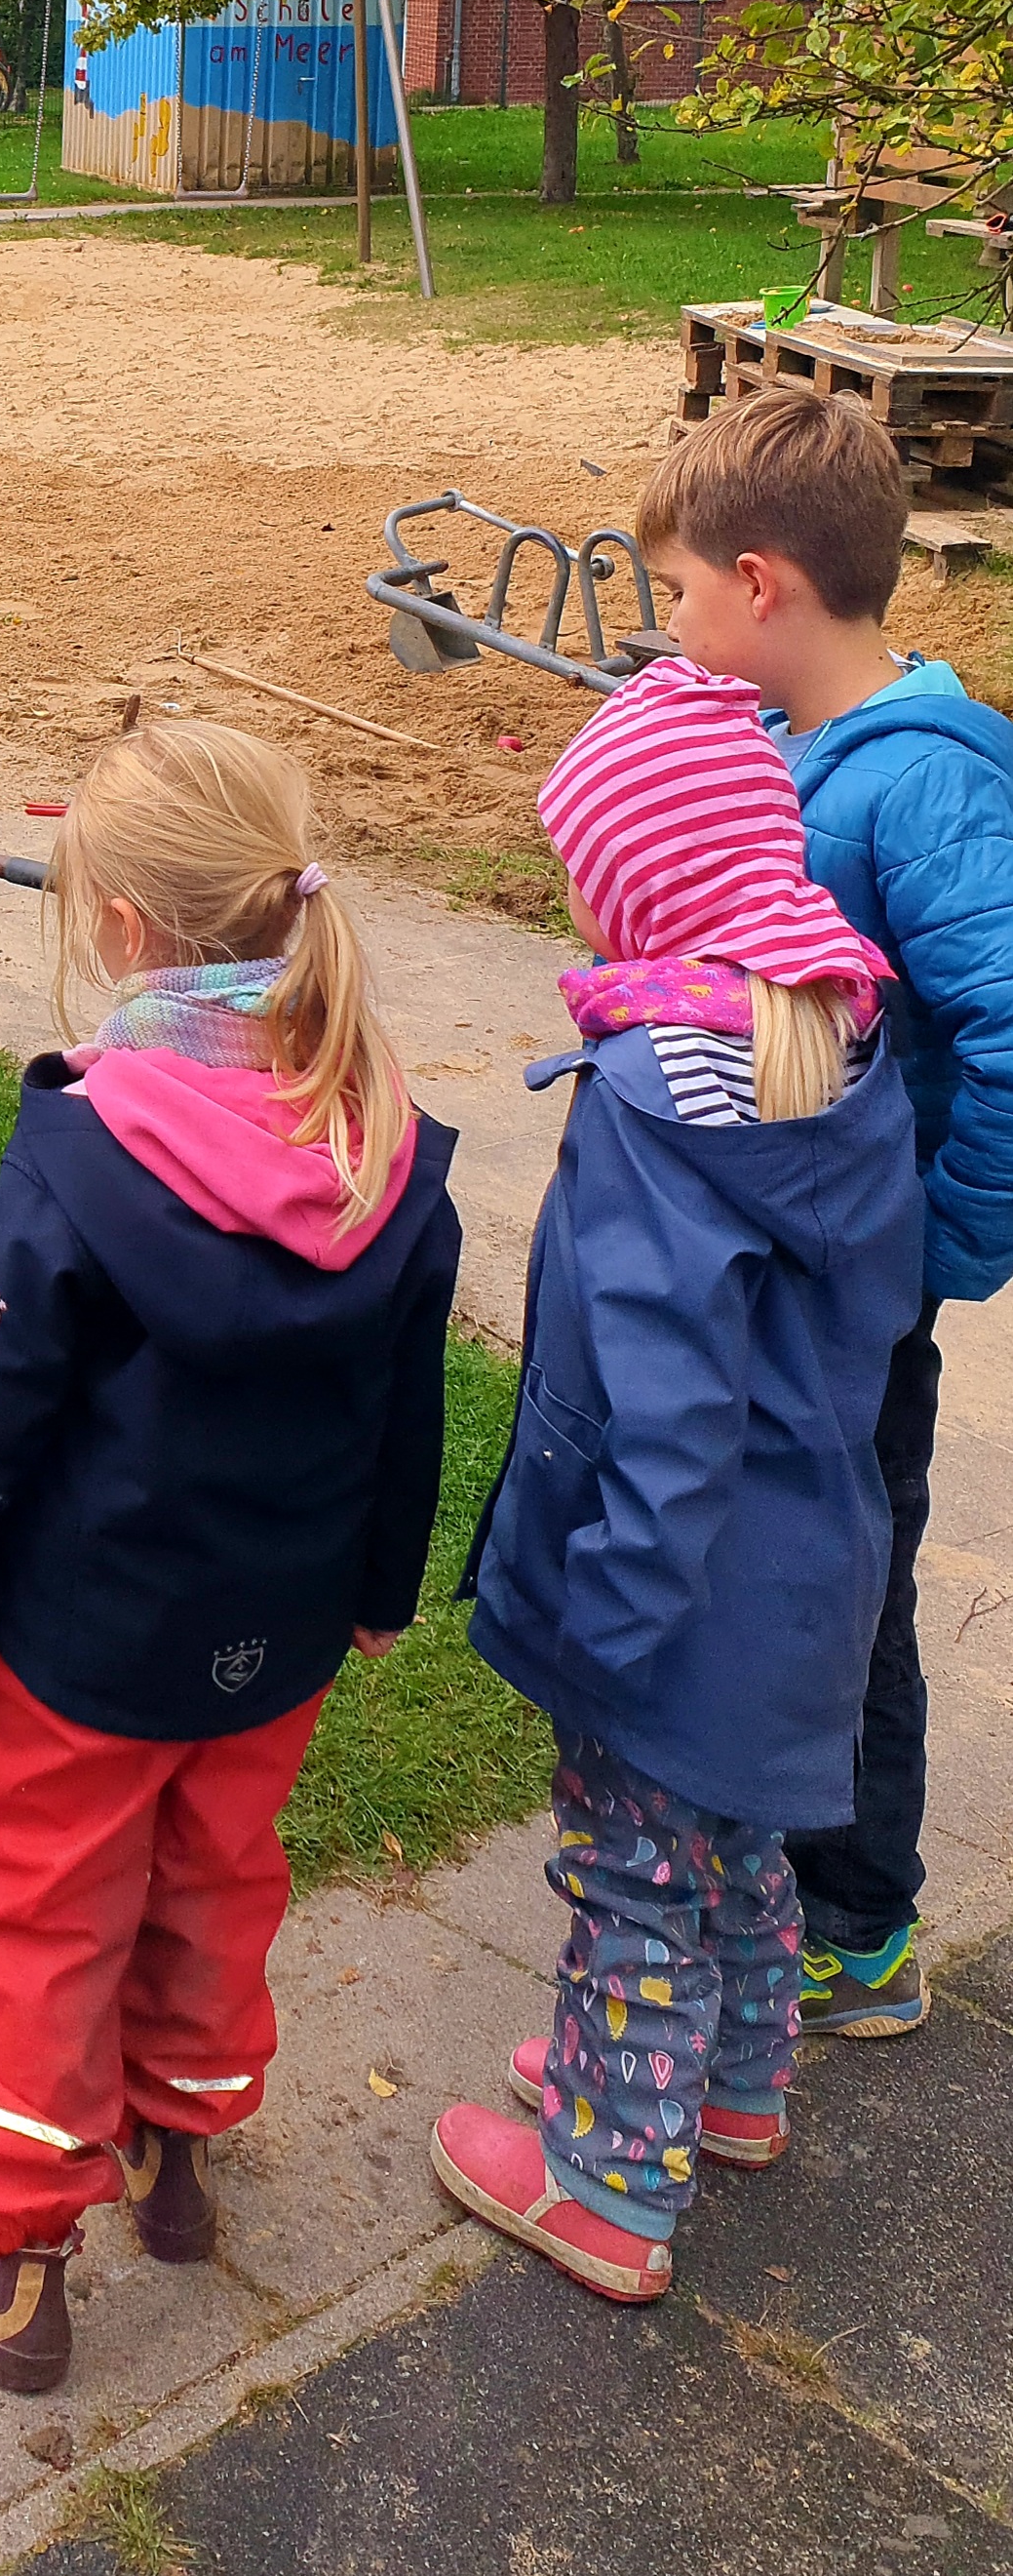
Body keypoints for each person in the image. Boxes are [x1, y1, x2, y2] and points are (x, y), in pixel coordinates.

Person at [0, 722, 460, 2394]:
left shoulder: (80, 1155)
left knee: (36, 1912)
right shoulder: (385, 1145)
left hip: (91, 1642)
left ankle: (5, 2254)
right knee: (212, 1882)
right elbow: (405, 1405)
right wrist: (375, 1594)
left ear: (121, 928)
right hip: (272, 1635)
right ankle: (174, 2159)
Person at [432, 656, 922, 2301]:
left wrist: (609, 1626)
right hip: (814, 1568)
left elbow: (664, 1408)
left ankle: (604, 2186)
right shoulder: (840, 1051)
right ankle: (733, 2088)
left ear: (638, 888)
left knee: (634, 1873)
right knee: (741, 1849)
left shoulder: (652, 1104)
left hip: (681, 1588)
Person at [631, 389, 1013, 2041]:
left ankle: (854, 1920)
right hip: (798, 1272)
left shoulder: (909, 788)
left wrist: (937, 1248)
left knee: (845, 1582)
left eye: (674, 597)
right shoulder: (787, 755)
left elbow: (1006, 1020)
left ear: (761, 585)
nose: (665, 629)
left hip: (866, 1287)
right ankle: (773, 1869)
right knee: (789, 1555)